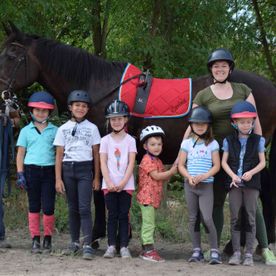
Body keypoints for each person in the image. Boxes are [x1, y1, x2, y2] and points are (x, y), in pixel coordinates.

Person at [183, 48, 276, 265]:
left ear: (230, 68)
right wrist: (184, 149)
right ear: (211, 70)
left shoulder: (243, 89)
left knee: (251, 203)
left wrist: (258, 147)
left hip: (242, 152)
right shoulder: (203, 95)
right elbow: (194, 123)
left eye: (224, 65)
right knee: (215, 202)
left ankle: (264, 247)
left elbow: (256, 121)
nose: (220, 69)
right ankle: (213, 248)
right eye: (216, 66)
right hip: (214, 153)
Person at [54, 90, 101, 260]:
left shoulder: (92, 128)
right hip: (68, 169)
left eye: (84, 106)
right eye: (77, 105)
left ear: (87, 109)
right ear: (70, 107)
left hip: (84, 170)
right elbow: (59, 155)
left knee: (84, 207)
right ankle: (74, 242)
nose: (80, 108)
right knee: (72, 208)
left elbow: (96, 154)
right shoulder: (63, 129)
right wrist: (58, 179)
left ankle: (87, 244)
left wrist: (96, 177)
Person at [222, 101, 266, 266]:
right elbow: (224, 162)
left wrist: (251, 173)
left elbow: (262, 163)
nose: (246, 124)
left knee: (250, 217)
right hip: (234, 184)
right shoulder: (228, 140)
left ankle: (248, 253)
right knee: (235, 218)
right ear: (234, 123)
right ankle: (236, 253)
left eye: (249, 121)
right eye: (242, 122)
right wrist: (233, 176)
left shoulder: (258, 140)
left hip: (251, 184)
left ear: (253, 122)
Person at [178, 107, 221, 264]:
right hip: (190, 186)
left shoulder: (212, 144)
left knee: (207, 218)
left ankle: (215, 250)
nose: (200, 126)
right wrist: (189, 177)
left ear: (208, 125)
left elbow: (216, 165)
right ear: (191, 125)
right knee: (192, 218)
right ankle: (197, 250)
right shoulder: (187, 143)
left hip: (206, 186)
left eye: (203, 124)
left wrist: (205, 176)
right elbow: (181, 165)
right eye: (196, 124)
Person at [16, 91, 57, 253]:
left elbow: (60, 153)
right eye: (37, 110)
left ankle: (47, 238)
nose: (40, 113)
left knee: (48, 206)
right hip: (31, 170)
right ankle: (35, 239)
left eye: (44, 110)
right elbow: (20, 153)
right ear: (32, 111)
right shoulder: (26, 130)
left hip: (49, 171)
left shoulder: (55, 130)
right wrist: (20, 173)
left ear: (49, 112)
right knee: (34, 206)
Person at [100, 99, 136, 259]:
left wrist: (122, 183)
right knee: (112, 215)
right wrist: (108, 182)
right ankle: (111, 246)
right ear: (109, 120)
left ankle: (124, 246)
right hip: (109, 185)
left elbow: (131, 163)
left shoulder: (130, 140)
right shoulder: (105, 140)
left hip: (125, 185)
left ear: (125, 119)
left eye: (119, 118)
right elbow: (102, 162)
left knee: (123, 215)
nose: (116, 122)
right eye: (113, 119)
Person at [137, 125, 177, 263]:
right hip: (147, 197)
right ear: (145, 146)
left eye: (159, 144)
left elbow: (164, 177)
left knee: (150, 223)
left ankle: (146, 248)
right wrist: (171, 171)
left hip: (153, 197)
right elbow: (157, 176)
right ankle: (148, 250)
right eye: (153, 144)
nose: (157, 147)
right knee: (149, 224)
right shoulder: (146, 160)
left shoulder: (158, 160)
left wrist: (173, 169)